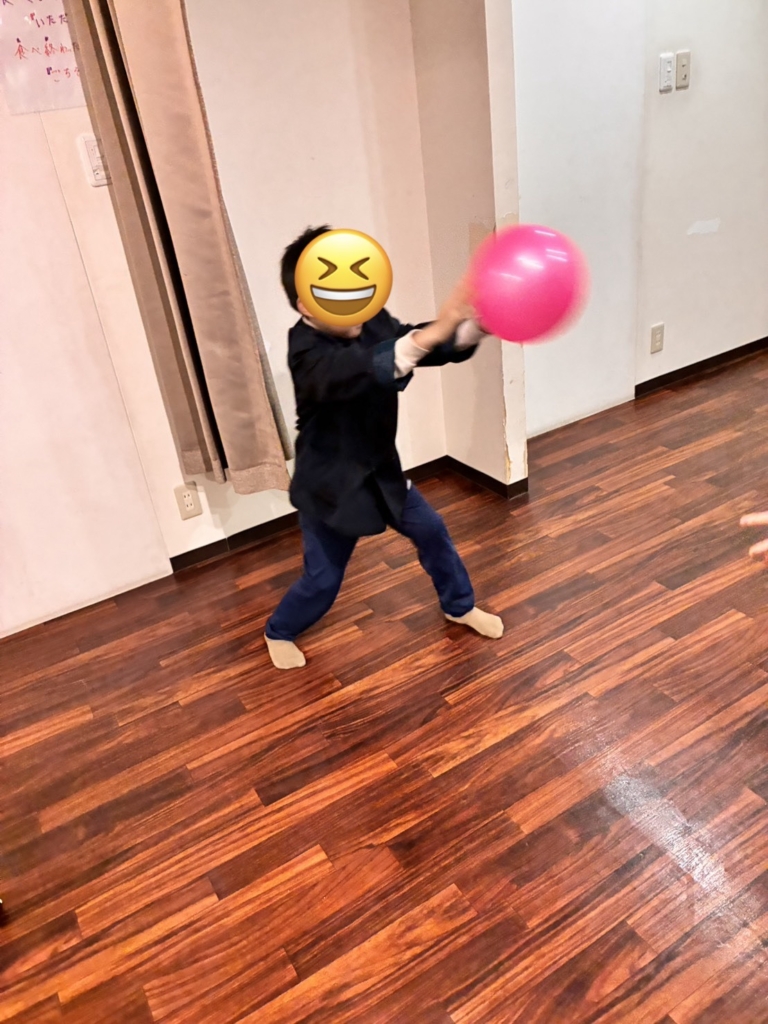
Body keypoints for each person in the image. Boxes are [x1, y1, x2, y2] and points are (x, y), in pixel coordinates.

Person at [264, 225, 504, 670]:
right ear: (306, 304)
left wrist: (474, 326)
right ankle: (278, 629)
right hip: (331, 488)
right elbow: (361, 367)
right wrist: (433, 331)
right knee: (322, 580)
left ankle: (459, 605)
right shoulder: (305, 352)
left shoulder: (371, 319)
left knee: (433, 533)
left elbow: (412, 343)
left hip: (382, 474)